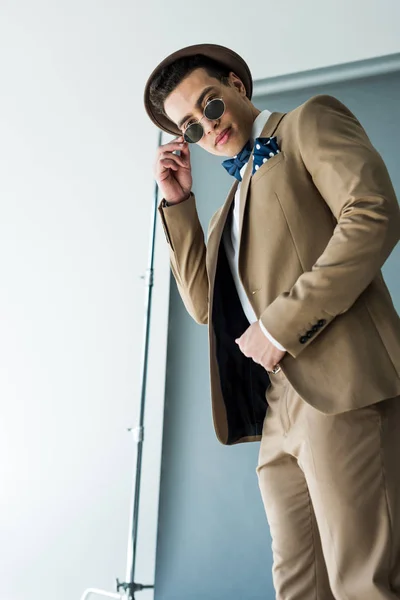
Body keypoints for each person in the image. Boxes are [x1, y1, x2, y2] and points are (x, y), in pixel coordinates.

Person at [144, 43, 400, 599]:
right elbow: (204, 305)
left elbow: (372, 213)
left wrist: (281, 325)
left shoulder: (310, 122)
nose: (207, 130)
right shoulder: (225, 207)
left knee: (362, 583)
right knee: (298, 586)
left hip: (339, 384)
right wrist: (178, 202)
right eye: (189, 127)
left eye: (209, 107)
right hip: (277, 409)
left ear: (236, 85)